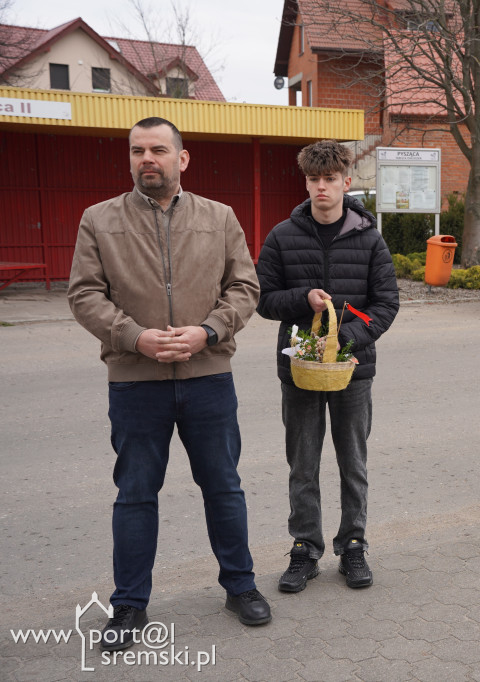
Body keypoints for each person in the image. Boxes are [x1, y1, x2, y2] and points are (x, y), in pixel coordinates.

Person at [67, 117, 269, 650]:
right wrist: (136, 338)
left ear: (183, 158)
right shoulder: (99, 220)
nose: (146, 159)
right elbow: (85, 294)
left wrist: (209, 331)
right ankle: (129, 605)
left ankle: (240, 585)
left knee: (223, 487)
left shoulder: (219, 217)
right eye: (137, 151)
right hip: (136, 382)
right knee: (135, 495)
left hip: (208, 378)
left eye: (158, 150)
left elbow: (245, 287)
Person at [256, 140, 399, 593]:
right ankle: (305, 549)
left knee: (352, 462)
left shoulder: (370, 237)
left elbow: (387, 303)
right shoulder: (282, 236)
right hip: (299, 370)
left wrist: (343, 343)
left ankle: (353, 545)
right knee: (302, 464)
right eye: (314, 180)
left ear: (346, 182)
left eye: (330, 180)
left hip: (353, 371)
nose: (322, 188)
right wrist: (303, 299)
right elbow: (261, 298)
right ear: (307, 183)